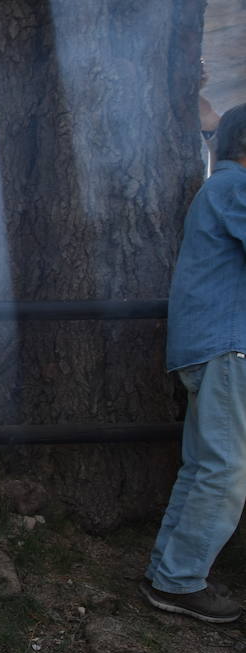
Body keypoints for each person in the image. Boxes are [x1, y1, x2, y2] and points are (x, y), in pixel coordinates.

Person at [143, 102, 246, 625]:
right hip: (227, 345)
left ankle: (168, 573)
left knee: (206, 466)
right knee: (226, 472)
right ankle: (181, 581)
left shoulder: (219, 187)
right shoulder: (234, 188)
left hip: (209, 345)